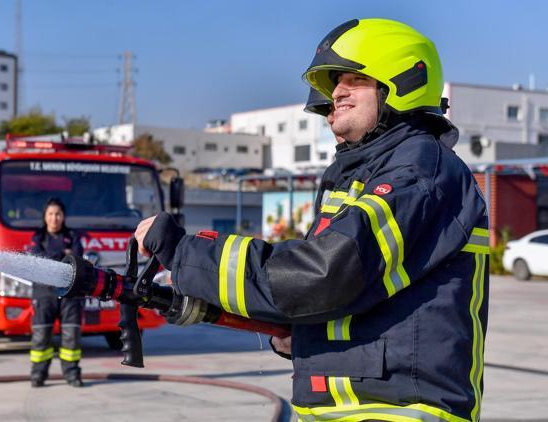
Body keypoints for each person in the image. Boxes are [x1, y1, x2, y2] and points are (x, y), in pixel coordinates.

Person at [134, 18, 489, 422]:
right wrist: (286, 327)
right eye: (335, 82)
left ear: (403, 82)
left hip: (399, 412)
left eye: (353, 79)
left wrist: (187, 254)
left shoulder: (420, 172)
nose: (336, 92)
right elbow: (321, 295)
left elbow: (323, 275)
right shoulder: (361, 176)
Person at [28, 197, 85, 388]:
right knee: (41, 336)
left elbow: (76, 258)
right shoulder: (38, 238)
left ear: (64, 216)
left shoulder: (73, 237)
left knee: (71, 336)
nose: (54, 218)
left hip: (70, 293)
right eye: (51, 214)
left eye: (58, 214)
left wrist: (59, 256)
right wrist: (63, 254)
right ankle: (38, 375)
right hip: (44, 294)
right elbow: (38, 259)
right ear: (45, 217)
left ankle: (72, 375)